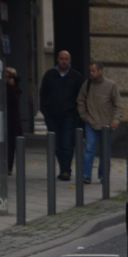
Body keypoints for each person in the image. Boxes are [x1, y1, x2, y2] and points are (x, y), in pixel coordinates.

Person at [39, 50, 84, 181]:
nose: (63, 61)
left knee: (67, 143)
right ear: (57, 59)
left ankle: (66, 170)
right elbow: (43, 94)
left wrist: (77, 114)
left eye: (66, 59)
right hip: (52, 116)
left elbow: (80, 97)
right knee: (56, 144)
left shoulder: (76, 77)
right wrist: (45, 112)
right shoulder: (49, 75)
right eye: (61, 58)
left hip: (69, 116)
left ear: (69, 60)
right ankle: (62, 167)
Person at [77, 62, 122, 184]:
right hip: (91, 122)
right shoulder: (87, 85)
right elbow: (80, 101)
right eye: (90, 71)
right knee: (89, 148)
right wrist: (84, 116)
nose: (91, 73)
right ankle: (86, 175)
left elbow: (118, 104)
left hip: (106, 124)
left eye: (94, 71)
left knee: (105, 151)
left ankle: (103, 176)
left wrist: (116, 119)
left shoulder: (111, 85)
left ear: (101, 71)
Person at [5, 67, 23, 175]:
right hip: (7, 119)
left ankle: (8, 167)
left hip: (12, 120)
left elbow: (14, 102)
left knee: (11, 145)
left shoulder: (14, 88)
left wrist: (11, 86)